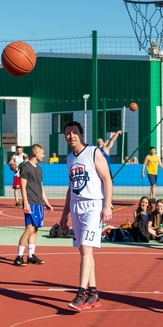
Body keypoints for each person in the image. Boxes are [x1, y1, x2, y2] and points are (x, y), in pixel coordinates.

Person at [59, 121, 113, 311]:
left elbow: (107, 178)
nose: (71, 136)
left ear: (81, 135)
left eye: (74, 132)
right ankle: (94, 294)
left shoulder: (93, 152)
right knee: (84, 251)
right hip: (76, 205)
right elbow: (70, 187)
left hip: (93, 205)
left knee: (85, 249)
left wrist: (107, 206)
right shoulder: (69, 159)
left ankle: (81, 294)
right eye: (67, 133)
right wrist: (64, 213)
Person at [15, 144, 54, 266]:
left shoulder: (39, 169)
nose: (43, 155)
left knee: (35, 229)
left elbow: (40, 187)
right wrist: (25, 203)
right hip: (30, 202)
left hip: (38, 203)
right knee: (29, 229)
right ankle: (18, 256)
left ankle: (31, 255)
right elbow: (23, 186)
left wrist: (46, 203)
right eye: (42, 153)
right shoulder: (26, 167)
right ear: (35, 154)